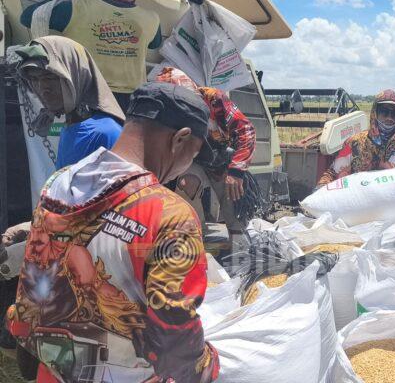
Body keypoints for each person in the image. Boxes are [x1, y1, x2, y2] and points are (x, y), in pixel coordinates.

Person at [6, 82, 220, 383]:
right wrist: (208, 365)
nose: (186, 166)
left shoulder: (59, 183)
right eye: (193, 155)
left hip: (52, 371)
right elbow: (174, 336)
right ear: (180, 139)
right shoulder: (170, 214)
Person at [20, 0, 162, 111]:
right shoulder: (151, 18)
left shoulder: (74, 8)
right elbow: (155, 44)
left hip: (87, 95)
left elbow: (27, 18)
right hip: (130, 100)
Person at [153, 67, 258, 249]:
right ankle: (194, 240)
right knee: (186, 183)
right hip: (191, 161)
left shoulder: (214, 99)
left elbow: (246, 130)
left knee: (232, 195)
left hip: (221, 160)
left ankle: (239, 244)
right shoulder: (165, 111)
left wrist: (236, 171)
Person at [16, 36, 125, 169]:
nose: (43, 88)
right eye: (34, 79)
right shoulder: (70, 126)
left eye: (50, 77)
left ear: (76, 75)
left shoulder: (105, 133)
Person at [317, 89, 395, 186]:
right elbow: (332, 174)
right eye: (384, 112)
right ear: (375, 113)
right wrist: (320, 189)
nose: (389, 118)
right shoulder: (354, 143)